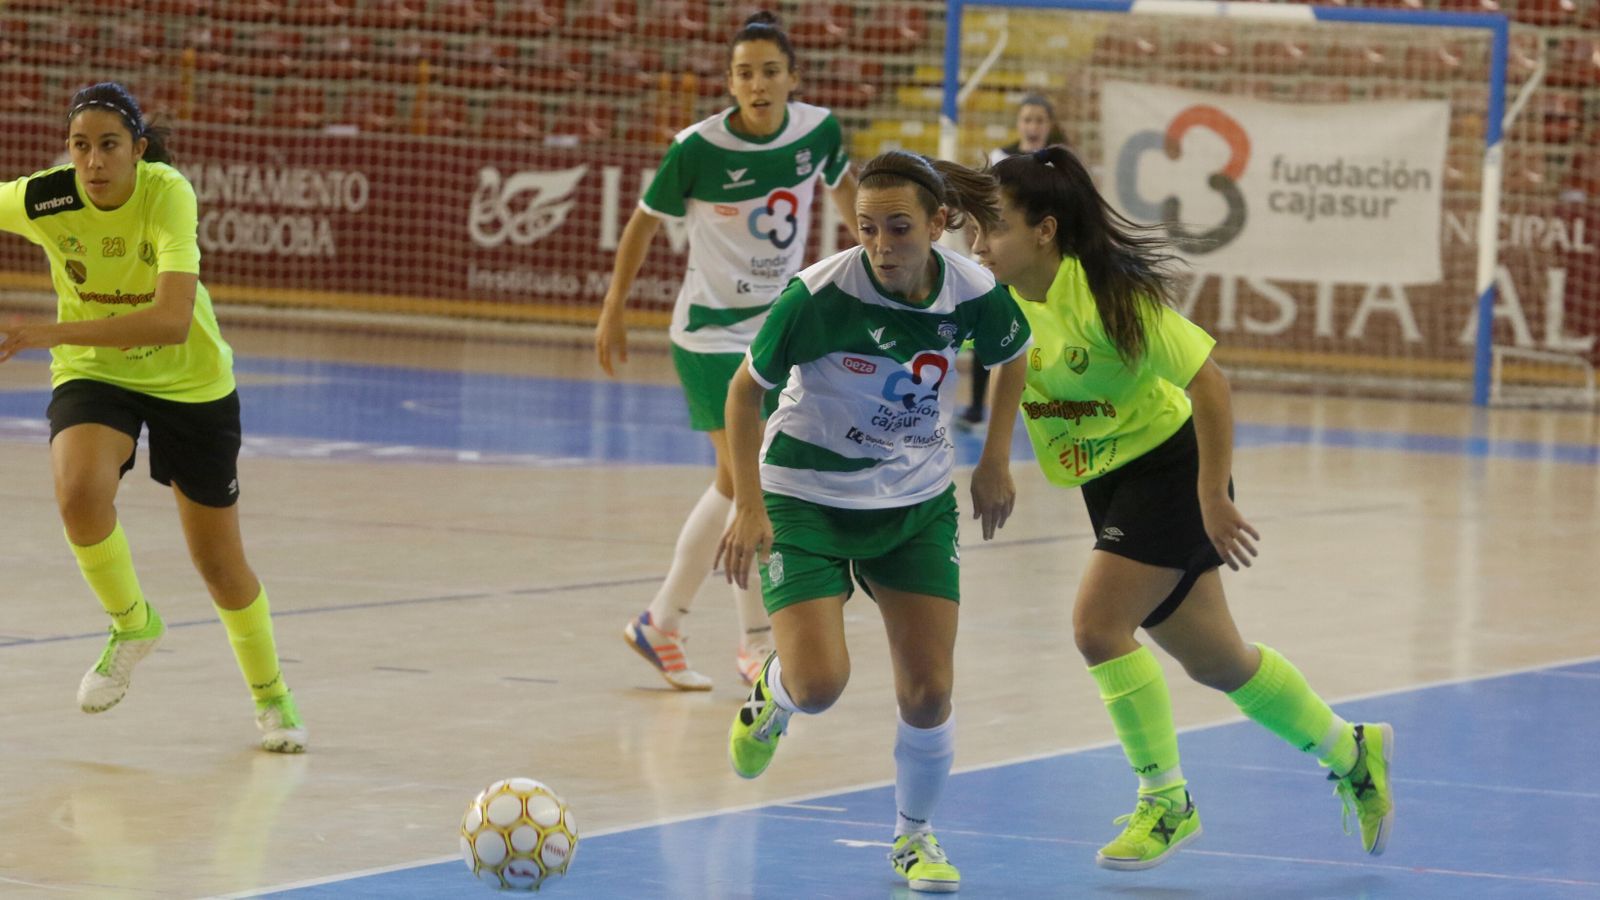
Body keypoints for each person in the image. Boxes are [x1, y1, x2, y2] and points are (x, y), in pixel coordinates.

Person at [969, 145, 1393, 870]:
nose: (979, 246)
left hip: (1169, 468)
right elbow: (1011, 359)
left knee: (1097, 628)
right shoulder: (1002, 293)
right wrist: (994, 456)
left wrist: (1212, 497)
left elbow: (1211, 383)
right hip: (1107, 475)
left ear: (1044, 229)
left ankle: (1166, 800)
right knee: (1219, 662)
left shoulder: (1108, 295)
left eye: (994, 228)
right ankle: (1352, 751)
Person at [718, 150, 1032, 893]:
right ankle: (777, 695)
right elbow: (742, 397)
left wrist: (995, 460)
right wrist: (748, 505)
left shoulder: (972, 288)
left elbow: (1013, 355)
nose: (883, 245)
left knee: (928, 691)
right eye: (867, 229)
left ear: (939, 222)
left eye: (899, 228)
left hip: (915, 501)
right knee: (820, 684)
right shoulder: (818, 296)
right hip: (805, 495)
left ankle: (914, 839)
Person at [0, 82, 306, 752]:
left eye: (109, 145)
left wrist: (48, 333)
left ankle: (271, 696)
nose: (93, 161)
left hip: (189, 381)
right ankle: (132, 623)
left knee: (219, 564)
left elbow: (171, 322)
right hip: (97, 372)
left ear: (137, 149)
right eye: (80, 146)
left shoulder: (167, 192)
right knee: (79, 494)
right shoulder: (48, 196)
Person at [595, 11, 860, 691]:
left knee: (734, 483)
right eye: (745, 72)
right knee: (753, 482)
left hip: (775, 331)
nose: (759, 83)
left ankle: (661, 624)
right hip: (711, 334)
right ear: (730, 81)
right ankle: (752, 643)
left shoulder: (819, 131)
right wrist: (613, 308)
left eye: (771, 70)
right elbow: (642, 224)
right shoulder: (697, 147)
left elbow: (846, 189)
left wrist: (871, 256)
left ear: (793, 77)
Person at [958, 93, 1066, 431]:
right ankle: (977, 407)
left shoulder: (1061, 162)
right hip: (1006, 263)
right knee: (989, 330)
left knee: (1056, 334)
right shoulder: (999, 159)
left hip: (1046, 265)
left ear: (1049, 126)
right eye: (1027, 119)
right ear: (1019, 124)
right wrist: (981, 249)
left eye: (1039, 120)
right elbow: (977, 210)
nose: (1033, 126)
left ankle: (1063, 406)